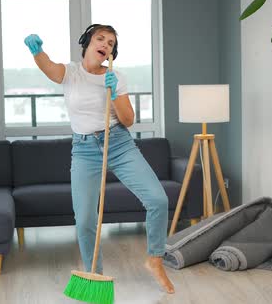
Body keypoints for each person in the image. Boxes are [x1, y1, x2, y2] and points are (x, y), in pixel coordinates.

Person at [24, 24, 175, 294]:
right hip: (84, 151)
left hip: (118, 144)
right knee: (84, 219)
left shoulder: (117, 77)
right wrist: (38, 52)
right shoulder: (71, 73)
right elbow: (49, 67)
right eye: (100, 38)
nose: (106, 43)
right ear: (87, 42)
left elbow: (128, 120)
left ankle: (155, 259)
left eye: (111, 42)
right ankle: (95, 276)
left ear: (111, 52)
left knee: (158, 200)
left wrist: (115, 93)